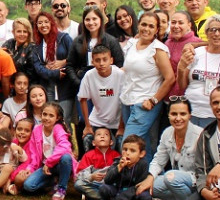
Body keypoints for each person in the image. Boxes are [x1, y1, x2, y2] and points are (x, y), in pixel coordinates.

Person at [120, 13, 175, 161]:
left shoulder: (158, 49)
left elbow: (170, 78)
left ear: (157, 29)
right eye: (144, 24)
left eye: (151, 26)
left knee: (128, 146)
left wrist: (153, 100)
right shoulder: (132, 44)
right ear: (138, 25)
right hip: (127, 101)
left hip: (144, 105)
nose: (146, 29)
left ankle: (125, 181)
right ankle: (147, 180)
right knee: (145, 147)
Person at [148, 98, 204, 200]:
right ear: (168, 115)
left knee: (171, 177)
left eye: (183, 114)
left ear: (190, 115)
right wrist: (150, 177)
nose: (178, 118)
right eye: (174, 114)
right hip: (178, 179)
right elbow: (158, 160)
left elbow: (206, 169)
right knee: (152, 187)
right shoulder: (167, 133)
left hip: (198, 181)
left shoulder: (200, 135)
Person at [15, 102, 75, 200]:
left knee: (66, 157)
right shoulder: (37, 130)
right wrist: (30, 168)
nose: (47, 118)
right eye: (44, 114)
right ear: (41, 115)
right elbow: (34, 155)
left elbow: (64, 147)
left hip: (59, 165)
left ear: (57, 118)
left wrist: (49, 162)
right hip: (46, 167)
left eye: (51, 115)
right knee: (28, 186)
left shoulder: (58, 129)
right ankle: (52, 182)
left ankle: (61, 189)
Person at [177, 15, 220, 127]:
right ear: (206, 33)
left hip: (215, 114)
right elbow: (182, 85)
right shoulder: (196, 53)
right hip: (190, 110)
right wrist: (181, 68)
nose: (217, 34)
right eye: (213, 30)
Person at [31, 12, 75, 121]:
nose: (43, 25)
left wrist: (64, 62)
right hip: (47, 87)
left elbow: (74, 57)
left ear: (52, 23)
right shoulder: (37, 46)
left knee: (64, 120)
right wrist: (55, 73)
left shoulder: (64, 38)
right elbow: (39, 68)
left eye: (46, 22)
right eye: (40, 23)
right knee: (50, 121)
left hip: (65, 86)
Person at [99, 135, 151, 200]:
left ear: (141, 154)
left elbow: (138, 186)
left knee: (145, 196)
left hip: (132, 191)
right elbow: (107, 180)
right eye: (125, 149)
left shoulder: (143, 165)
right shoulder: (118, 161)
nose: (127, 153)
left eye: (132, 151)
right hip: (117, 189)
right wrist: (119, 167)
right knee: (103, 188)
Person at [78, 45, 124, 138]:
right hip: (97, 120)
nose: (101, 63)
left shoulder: (120, 75)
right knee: (88, 139)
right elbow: (83, 99)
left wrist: (121, 126)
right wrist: (87, 125)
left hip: (117, 121)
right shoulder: (89, 75)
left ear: (111, 60)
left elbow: (125, 101)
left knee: (120, 142)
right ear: (92, 62)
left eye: (104, 59)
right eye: (97, 60)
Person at [68, 6, 125, 74]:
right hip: (82, 81)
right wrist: (78, 82)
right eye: (87, 20)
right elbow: (70, 66)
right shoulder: (77, 41)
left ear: (100, 20)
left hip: (106, 81)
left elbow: (119, 64)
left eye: (94, 19)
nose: (91, 22)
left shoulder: (111, 41)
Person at [73, 127, 119, 200]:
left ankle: (101, 198)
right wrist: (92, 177)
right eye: (99, 134)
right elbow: (80, 174)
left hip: (110, 185)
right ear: (93, 142)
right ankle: (105, 199)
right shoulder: (88, 155)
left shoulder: (116, 156)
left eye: (106, 134)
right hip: (94, 184)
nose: (102, 136)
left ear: (111, 142)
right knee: (78, 184)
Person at [164, 11, 201, 97]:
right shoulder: (167, 43)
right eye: (173, 23)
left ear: (189, 25)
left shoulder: (197, 43)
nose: (176, 26)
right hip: (167, 96)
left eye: (180, 23)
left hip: (186, 97)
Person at [1, 19, 41, 85]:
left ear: (29, 33)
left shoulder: (32, 48)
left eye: (25, 32)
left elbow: (31, 75)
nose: (22, 34)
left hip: (27, 85)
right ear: (13, 32)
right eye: (19, 31)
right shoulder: (9, 43)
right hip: (9, 83)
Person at [6, 118, 35, 195]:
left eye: (27, 131)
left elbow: (25, 163)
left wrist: (10, 178)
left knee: (19, 178)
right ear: (15, 131)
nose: (22, 132)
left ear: (32, 133)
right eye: (19, 129)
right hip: (14, 169)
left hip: (27, 169)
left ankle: (17, 187)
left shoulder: (30, 145)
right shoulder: (14, 142)